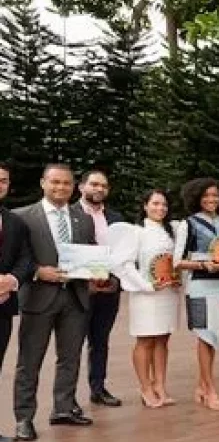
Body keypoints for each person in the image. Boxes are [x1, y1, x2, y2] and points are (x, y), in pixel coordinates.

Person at [13, 164, 100, 441]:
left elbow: (90, 255)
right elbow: (16, 260)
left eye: (66, 183)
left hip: (75, 297)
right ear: (43, 183)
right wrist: (38, 271)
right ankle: (24, 418)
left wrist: (97, 273)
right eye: (55, 182)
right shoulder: (23, 217)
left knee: (70, 357)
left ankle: (63, 408)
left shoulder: (82, 218)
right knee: (29, 361)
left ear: (74, 186)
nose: (61, 187)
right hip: (38, 297)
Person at [108, 190, 183, 409]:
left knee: (162, 339)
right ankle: (145, 387)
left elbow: (176, 261)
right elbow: (124, 263)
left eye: (164, 205)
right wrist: (146, 285)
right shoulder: (136, 232)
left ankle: (160, 384)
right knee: (145, 340)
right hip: (146, 295)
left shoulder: (172, 232)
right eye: (155, 204)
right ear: (145, 206)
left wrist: (178, 279)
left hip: (168, 293)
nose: (160, 208)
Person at [174, 177, 219, 411]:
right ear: (197, 198)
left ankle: (202, 385)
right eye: (206, 195)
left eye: (215, 195)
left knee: (214, 337)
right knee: (204, 335)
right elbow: (178, 261)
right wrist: (203, 265)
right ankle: (210, 389)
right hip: (199, 284)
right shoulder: (188, 224)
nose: (211, 199)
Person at [76, 169, 125, 408]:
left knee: (100, 341)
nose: (99, 189)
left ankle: (98, 388)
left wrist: (117, 280)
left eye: (104, 186)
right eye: (94, 184)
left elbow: (124, 253)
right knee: (72, 344)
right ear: (81, 187)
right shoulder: (69, 215)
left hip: (108, 289)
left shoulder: (116, 218)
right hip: (79, 290)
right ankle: (68, 397)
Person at [0, 163, 31, 442]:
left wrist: (11, 280)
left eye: (3, 181)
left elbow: (25, 259)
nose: (0, 184)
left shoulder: (15, 222)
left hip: (3, 306)